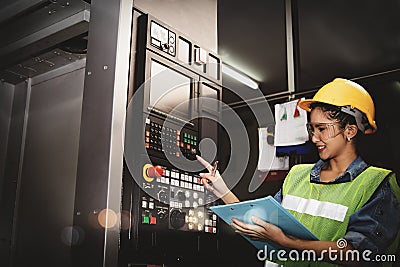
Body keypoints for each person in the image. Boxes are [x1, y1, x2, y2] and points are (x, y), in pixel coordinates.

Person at [197, 78, 400, 266]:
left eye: (322, 129)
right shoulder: (298, 175)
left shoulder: (377, 184)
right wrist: (222, 190)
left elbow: (359, 253)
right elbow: (259, 222)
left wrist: (287, 241)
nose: (314, 138)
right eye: (312, 129)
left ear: (350, 131)